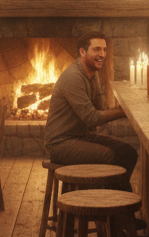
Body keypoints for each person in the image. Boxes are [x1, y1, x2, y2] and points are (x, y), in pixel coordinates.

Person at [44, 31, 136, 191]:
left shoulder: (92, 73)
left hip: (79, 136)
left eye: (105, 50)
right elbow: (92, 118)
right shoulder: (74, 77)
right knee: (109, 156)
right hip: (60, 143)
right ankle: (109, 209)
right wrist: (123, 111)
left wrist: (119, 101)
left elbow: (101, 109)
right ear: (82, 52)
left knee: (128, 152)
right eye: (97, 49)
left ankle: (117, 208)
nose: (102, 54)